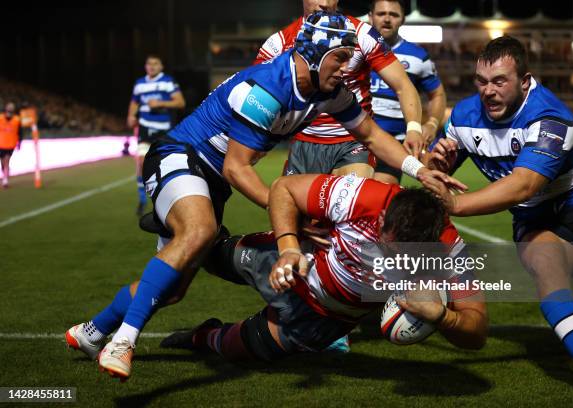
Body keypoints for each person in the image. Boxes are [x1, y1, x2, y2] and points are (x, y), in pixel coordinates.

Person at [65, 11, 464, 381]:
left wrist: (418, 169)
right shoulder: (267, 88)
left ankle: (92, 330)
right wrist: (291, 218)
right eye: (340, 58)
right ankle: (124, 341)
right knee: (200, 230)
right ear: (311, 55)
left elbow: (372, 135)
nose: (349, 67)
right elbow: (236, 168)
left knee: (171, 290)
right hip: (182, 155)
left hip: (211, 177)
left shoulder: (330, 89)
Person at [423, 36, 573, 408]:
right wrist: (437, 164)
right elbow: (437, 170)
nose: (488, 92)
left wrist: (456, 205)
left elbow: (524, 184)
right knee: (544, 266)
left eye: (499, 82)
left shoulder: (550, 117)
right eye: (481, 81)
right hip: (537, 219)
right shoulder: (463, 117)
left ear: (525, 81)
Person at [160, 173, 488, 362]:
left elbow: (476, 333)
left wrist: (442, 316)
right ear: (383, 218)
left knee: (241, 348)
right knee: (211, 255)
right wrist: (288, 247)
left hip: (326, 316)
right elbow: (283, 188)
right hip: (297, 260)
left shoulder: (449, 250)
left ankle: (200, 336)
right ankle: (181, 225)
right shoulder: (366, 197)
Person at [255, 0, 425, 178]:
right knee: (286, 203)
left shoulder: (364, 34)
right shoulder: (278, 43)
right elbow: (257, 94)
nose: (325, 3)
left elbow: (403, 86)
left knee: (353, 200)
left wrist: (414, 128)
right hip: (303, 142)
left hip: (353, 141)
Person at [369, 0, 447, 185]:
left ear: (403, 19)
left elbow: (437, 94)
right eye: (381, 14)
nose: (387, 19)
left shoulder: (418, 56)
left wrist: (432, 124)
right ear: (371, 17)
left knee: (380, 200)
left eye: (394, 15)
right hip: (354, 141)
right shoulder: (355, 50)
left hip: (394, 146)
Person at [127, 55, 186, 216]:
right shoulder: (140, 83)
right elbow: (134, 102)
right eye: (149, 64)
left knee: (163, 164)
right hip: (145, 127)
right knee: (140, 160)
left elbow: (180, 102)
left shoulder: (168, 81)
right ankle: (142, 199)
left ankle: (163, 197)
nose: (151, 66)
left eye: (155, 64)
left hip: (163, 129)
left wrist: (161, 103)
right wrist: (131, 116)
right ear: (145, 67)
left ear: (161, 66)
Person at [0, 102, 22, 189]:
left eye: (12, 107)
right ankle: (6, 172)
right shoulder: (0, 118)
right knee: (3, 163)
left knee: (6, 161)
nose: (10, 108)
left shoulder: (17, 120)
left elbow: (20, 132)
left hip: (10, 144)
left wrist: (19, 143)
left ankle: (5, 180)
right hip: (0, 144)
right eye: (9, 107)